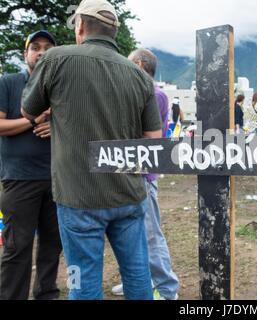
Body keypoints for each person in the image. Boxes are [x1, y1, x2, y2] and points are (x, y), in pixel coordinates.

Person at [21, 0, 162, 300]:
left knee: (81, 281)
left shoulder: (56, 59)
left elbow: (28, 109)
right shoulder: (139, 75)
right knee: (138, 274)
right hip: (129, 195)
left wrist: (55, 115)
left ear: (80, 26)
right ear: (113, 31)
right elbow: (153, 137)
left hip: (78, 198)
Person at [109, 49, 179, 300]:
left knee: (151, 236)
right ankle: (136, 281)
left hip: (143, 176)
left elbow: (146, 136)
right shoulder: (140, 93)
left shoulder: (155, 94)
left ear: (138, 64)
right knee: (127, 235)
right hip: (128, 173)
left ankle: (167, 289)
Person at [0, 30, 62, 300]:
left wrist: (56, 126)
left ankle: (46, 293)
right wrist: (34, 119)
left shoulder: (62, 87)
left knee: (53, 244)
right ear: (25, 54)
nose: (41, 52)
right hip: (19, 179)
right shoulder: (9, 83)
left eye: (48, 47)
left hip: (58, 177)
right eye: (35, 47)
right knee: (17, 246)